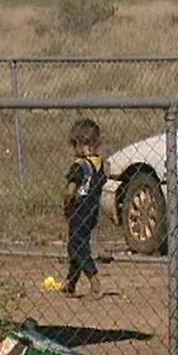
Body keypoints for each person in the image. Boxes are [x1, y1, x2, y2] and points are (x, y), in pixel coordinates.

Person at [63, 118, 110, 300]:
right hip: (92, 211)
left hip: (79, 209)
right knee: (76, 244)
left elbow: (71, 189)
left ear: (79, 144)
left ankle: (95, 283)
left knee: (78, 246)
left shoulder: (80, 165)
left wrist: (67, 203)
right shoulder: (100, 164)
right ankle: (70, 282)